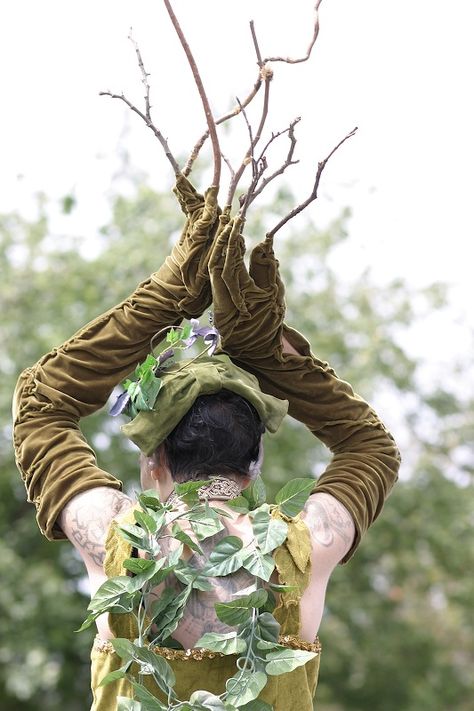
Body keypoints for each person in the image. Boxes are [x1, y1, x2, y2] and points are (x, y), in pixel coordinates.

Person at [12, 176, 400, 710]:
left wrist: (170, 296)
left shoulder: (117, 537)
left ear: (154, 462)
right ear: (255, 461)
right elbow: (368, 446)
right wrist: (265, 352)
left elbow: (42, 403)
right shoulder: (302, 545)